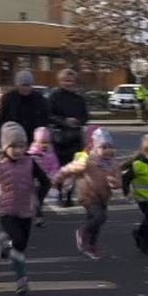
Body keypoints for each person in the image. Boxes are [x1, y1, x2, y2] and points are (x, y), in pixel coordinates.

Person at [0, 122, 52, 296]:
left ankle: (6, 243)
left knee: (21, 245)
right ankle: (22, 280)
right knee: (18, 242)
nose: (18, 150)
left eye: (22, 146)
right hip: (7, 209)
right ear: (5, 146)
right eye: (13, 146)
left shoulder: (30, 162)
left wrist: (38, 201)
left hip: (26, 209)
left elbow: (46, 182)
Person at [55, 128, 121, 259]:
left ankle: (90, 246)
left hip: (103, 197)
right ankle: (82, 232)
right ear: (94, 148)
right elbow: (67, 169)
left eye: (110, 147)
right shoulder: (87, 161)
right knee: (100, 217)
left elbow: (119, 181)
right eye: (103, 147)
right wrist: (57, 179)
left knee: (96, 225)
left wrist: (115, 183)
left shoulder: (113, 164)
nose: (107, 150)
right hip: (88, 196)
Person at [47, 68, 88, 206]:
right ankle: (60, 194)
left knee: (74, 168)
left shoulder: (79, 98)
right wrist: (64, 121)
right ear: (60, 81)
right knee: (61, 168)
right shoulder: (54, 97)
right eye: (65, 80)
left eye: (71, 80)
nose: (69, 83)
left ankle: (69, 195)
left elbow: (85, 116)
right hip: (60, 138)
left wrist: (79, 121)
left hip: (76, 138)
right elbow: (49, 115)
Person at [0, 70, 49, 148]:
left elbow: (45, 119)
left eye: (28, 85)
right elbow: (0, 120)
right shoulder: (8, 98)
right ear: (17, 85)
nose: (26, 88)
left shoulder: (39, 99)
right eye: (23, 85)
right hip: (13, 139)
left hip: (33, 140)